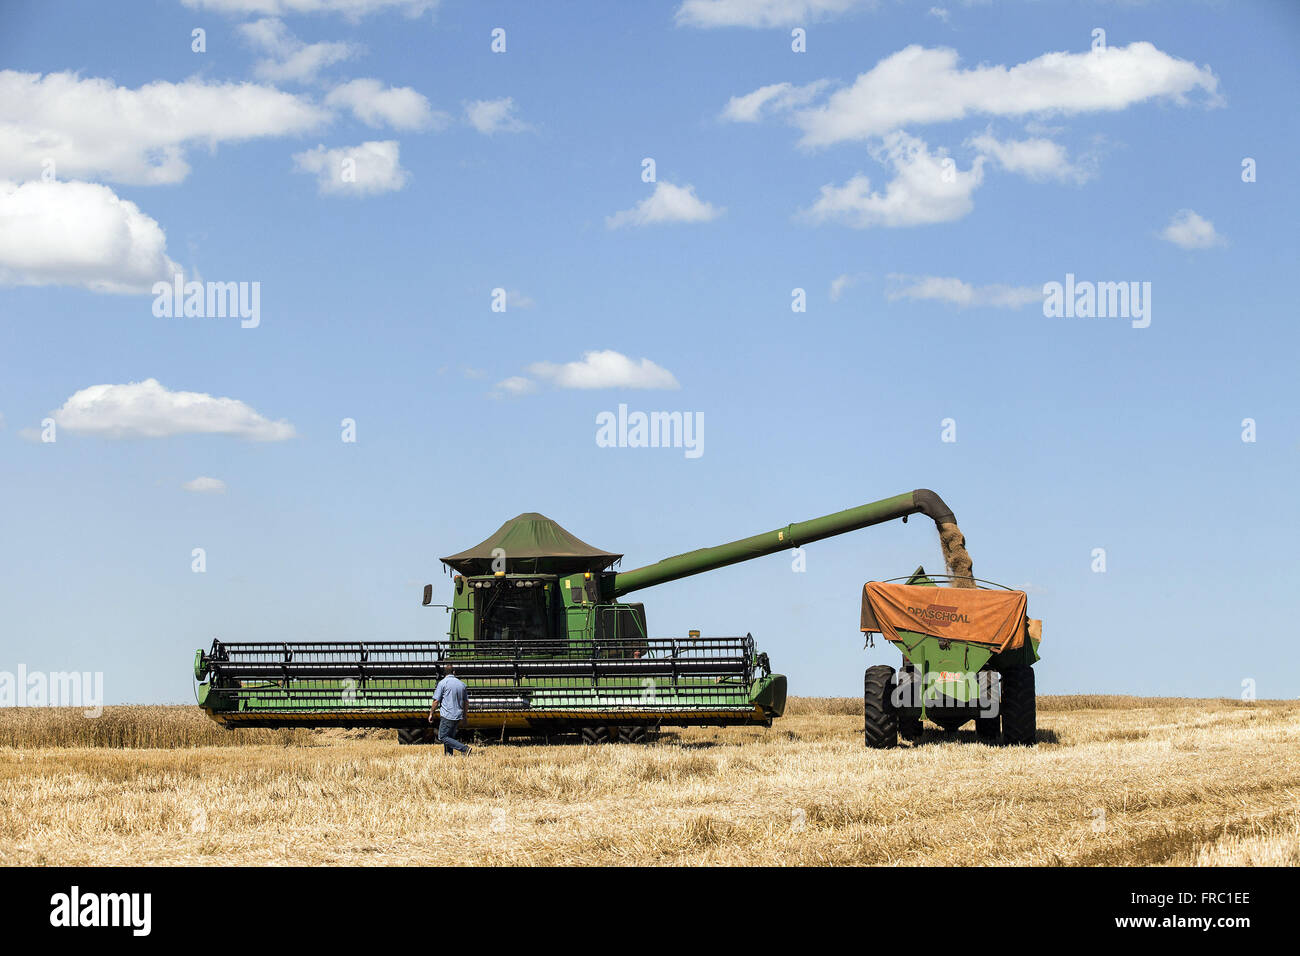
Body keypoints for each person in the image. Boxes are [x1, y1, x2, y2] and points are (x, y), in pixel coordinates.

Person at [428, 665, 471, 756]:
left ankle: (465, 749)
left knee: (442, 737)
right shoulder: (462, 684)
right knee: (449, 737)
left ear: (444, 673)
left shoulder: (442, 683)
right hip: (458, 715)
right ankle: (448, 756)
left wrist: (431, 713)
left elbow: (436, 701)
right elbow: (466, 702)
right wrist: (464, 716)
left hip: (447, 715)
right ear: (454, 672)